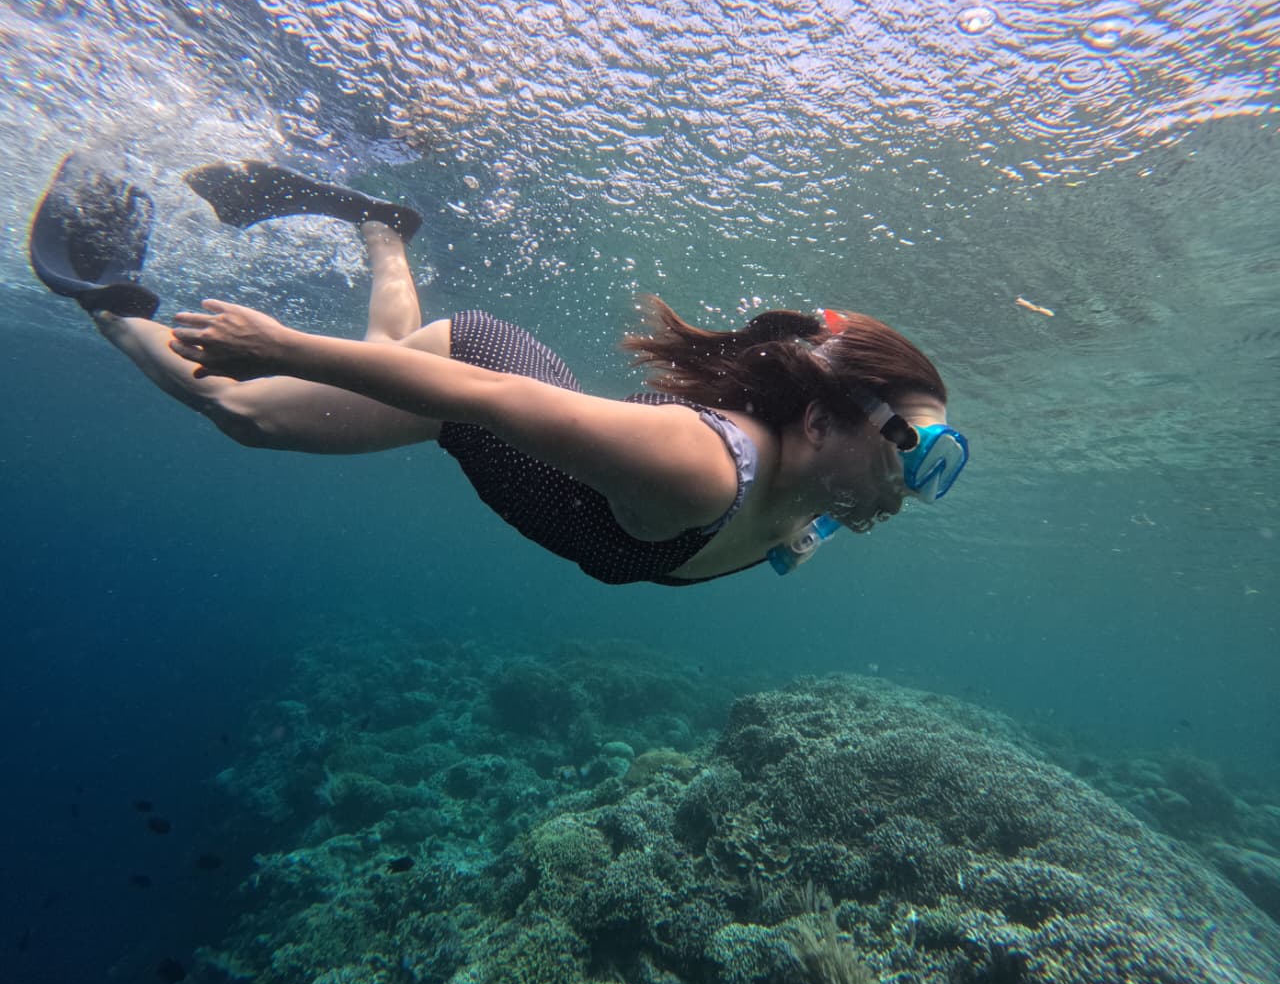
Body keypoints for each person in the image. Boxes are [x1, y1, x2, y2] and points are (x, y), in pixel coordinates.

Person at [29, 154, 968, 586]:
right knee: (243, 410)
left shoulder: (814, 494)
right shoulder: (703, 468)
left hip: (496, 412)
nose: (915, 487)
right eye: (913, 452)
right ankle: (111, 295)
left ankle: (383, 232)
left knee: (393, 369)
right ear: (818, 423)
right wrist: (280, 348)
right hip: (483, 380)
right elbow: (486, 395)